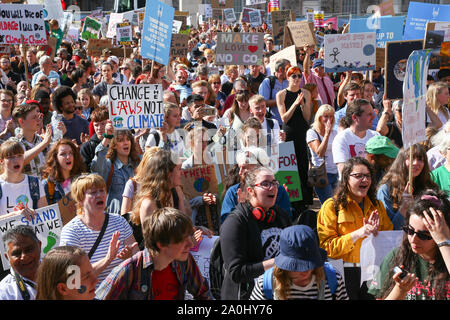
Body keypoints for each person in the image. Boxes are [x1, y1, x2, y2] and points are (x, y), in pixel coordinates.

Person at [317, 157, 393, 300]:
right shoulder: (331, 206)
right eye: (358, 176)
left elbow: (388, 241)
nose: (364, 180)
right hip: (343, 272)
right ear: (346, 179)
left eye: (367, 176)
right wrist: (358, 234)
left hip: (372, 271)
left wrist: (378, 234)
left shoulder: (377, 206)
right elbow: (327, 247)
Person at [95, 207, 211, 300]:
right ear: (161, 244)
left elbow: (203, 294)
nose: (190, 244)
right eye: (182, 240)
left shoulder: (184, 259)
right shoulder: (128, 271)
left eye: (189, 236)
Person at [220, 166, 292, 300]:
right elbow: (237, 272)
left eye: (274, 183)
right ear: (251, 191)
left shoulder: (281, 215)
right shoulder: (235, 222)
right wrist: (278, 262)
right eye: (265, 184)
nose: (272, 187)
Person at [367, 189, 450, 300]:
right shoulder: (396, 257)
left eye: (423, 235)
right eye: (410, 231)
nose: (413, 239)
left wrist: (444, 242)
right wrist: (400, 290)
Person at [59, 173, 138, 285]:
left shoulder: (119, 221)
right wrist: (107, 259)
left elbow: (138, 260)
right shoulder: (71, 231)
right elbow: (73, 279)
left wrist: (129, 259)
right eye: (93, 192)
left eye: (102, 190)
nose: (100, 195)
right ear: (80, 199)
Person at [249, 225, 348, 300]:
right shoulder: (266, 284)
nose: (306, 270)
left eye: (310, 263)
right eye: (297, 266)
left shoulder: (333, 279)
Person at [377, 144, 439, 230]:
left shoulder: (429, 187)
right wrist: (404, 208)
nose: (416, 163)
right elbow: (388, 229)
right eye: (411, 158)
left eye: (420, 159)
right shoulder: (386, 190)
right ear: (401, 161)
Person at [277, 65, 314, 207]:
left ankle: (305, 200)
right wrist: (295, 104)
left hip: (302, 132)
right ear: (288, 78)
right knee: (289, 166)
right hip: (288, 132)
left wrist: (303, 103)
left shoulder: (305, 92)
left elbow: (307, 117)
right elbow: (284, 118)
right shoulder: (281, 94)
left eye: (299, 76)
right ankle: (290, 199)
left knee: (303, 165)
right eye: (294, 76)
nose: (297, 79)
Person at [90, 122, 141, 215]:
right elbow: (95, 166)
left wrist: (163, 136)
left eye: (128, 139)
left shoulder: (138, 164)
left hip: (137, 218)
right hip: (116, 220)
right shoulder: (109, 165)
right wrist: (107, 137)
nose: (126, 142)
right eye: (121, 140)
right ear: (114, 145)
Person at [332, 99, 380, 176]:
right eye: (369, 114)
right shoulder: (342, 139)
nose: (374, 117)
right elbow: (344, 170)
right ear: (355, 117)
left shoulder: (376, 136)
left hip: (373, 185)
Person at [306, 104, 338, 204]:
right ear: (319, 118)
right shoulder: (312, 132)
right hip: (321, 174)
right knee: (329, 205)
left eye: (331, 116)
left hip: (336, 173)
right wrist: (327, 134)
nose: (329, 119)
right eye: (326, 116)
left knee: (338, 205)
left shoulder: (335, 132)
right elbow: (320, 153)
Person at [10, 102, 52, 177]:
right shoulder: (13, 143)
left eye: (38, 116)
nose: (38, 119)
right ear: (21, 121)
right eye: (34, 117)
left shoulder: (42, 140)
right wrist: (44, 143)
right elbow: (20, 161)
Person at [0, 225, 41, 300]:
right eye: (17, 253)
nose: (24, 257)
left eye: (29, 250)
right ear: (7, 257)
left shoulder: (59, 272)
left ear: (40, 246)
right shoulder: (5, 292)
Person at [41, 139, 86, 205]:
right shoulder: (47, 185)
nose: (68, 157)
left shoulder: (82, 180)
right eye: (63, 154)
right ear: (55, 158)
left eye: (71, 153)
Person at [259, 59, 291, 126]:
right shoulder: (268, 82)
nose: (290, 71)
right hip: (272, 123)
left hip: (287, 122)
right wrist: (280, 100)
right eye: (288, 68)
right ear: (280, 69)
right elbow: (263, 103)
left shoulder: (288, 81)